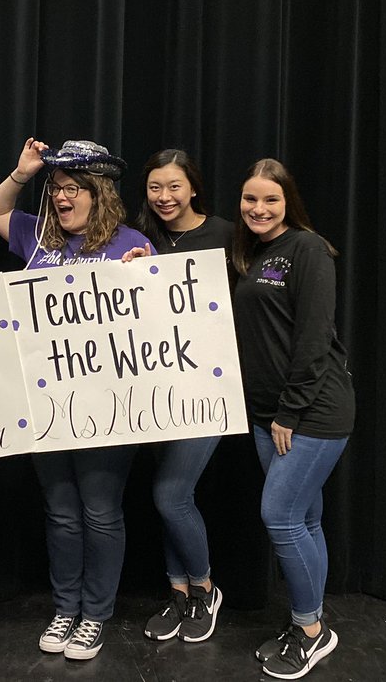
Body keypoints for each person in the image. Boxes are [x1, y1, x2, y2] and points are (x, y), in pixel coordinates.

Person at [0, 137, 154, 661]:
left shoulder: (129, 242)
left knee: (100, 512)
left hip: (105, 408)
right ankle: (66, 608)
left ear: (98, 192)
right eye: (56, 189)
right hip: (44, 405)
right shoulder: (38, 238)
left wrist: (147, 273)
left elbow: (153, 324)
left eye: (73, 188)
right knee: (60, 512)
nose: (61, 197)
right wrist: (23, 171)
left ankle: (95, 614)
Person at [230, 158, 354, 680]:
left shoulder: (308, 249)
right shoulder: (255, 254)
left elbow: (313, 340)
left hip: (310, 412)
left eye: (270, 200)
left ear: (288, 203)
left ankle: (311, 633)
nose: (258, 209)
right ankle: (310, 619)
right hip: (268, 414)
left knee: (280, 517)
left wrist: (289, 412)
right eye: (250, 199)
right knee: (304, 520)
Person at [130, 149, 233, 643]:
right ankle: (179, 592)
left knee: (170, 495)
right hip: (155, 390)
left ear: (193, 187)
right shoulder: (140, 235)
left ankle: (206, 588)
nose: (164, 197)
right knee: (174, 495)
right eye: (155, 187)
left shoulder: (228, 235)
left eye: (173, 187)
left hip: (209, 387)